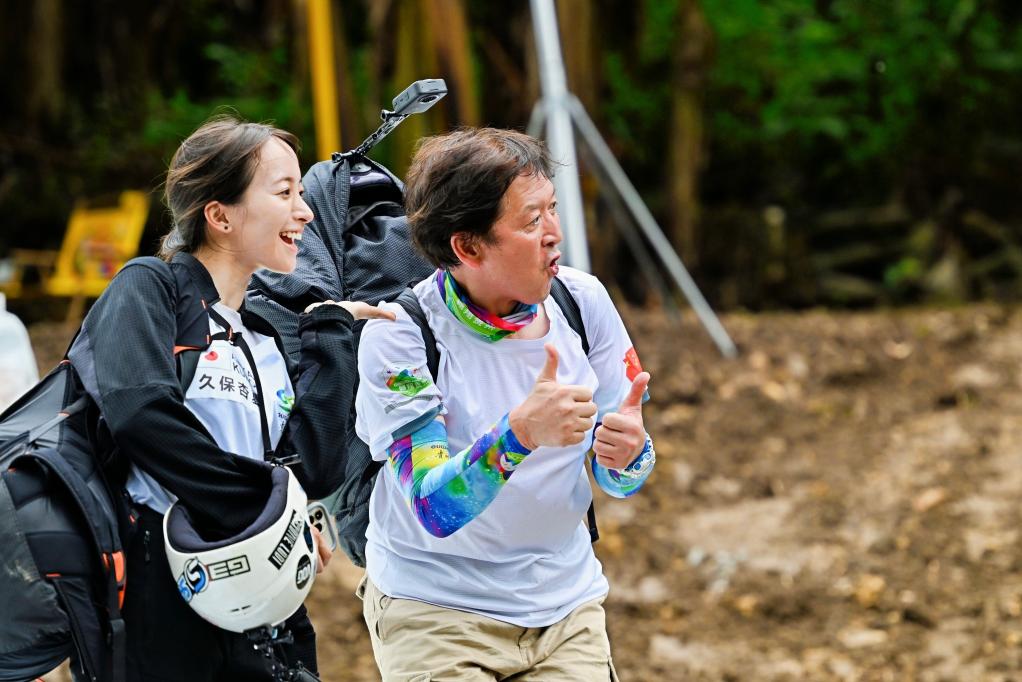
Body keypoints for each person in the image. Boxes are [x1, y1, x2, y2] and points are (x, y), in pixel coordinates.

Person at [67, 115, 393, 680]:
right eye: (284, 192)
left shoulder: (262, 331)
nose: (306, 211)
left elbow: (311, 468)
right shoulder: (149, 287)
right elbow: (141, 413)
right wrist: (265, 510)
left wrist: (334, 335)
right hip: (161, 593)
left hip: (264, 603)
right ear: (219, 216)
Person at [354, 127, 656, 681]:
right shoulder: (400, 336)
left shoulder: (582, 302)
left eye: (553, 209)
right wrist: (519, 434)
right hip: (436, 612)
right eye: (531, 220)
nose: (554, 234)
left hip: (565, 607)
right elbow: (433, 509)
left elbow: (622, 477)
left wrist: (628, 456)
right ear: (467, 246)